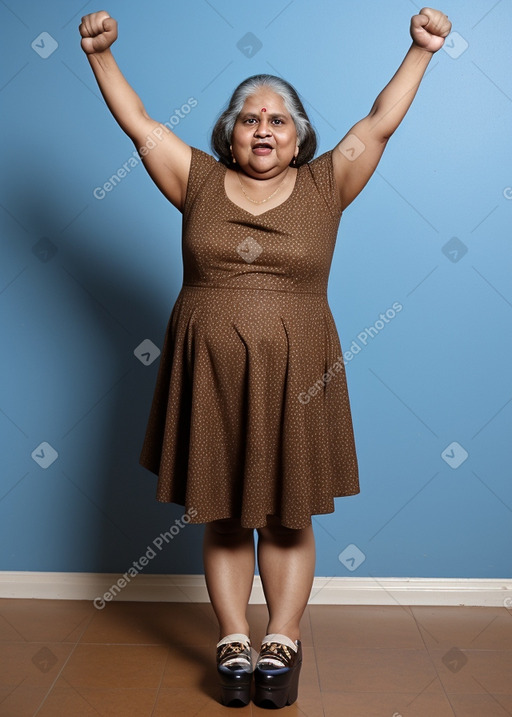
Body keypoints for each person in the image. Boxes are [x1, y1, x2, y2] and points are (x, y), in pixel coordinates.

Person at [79, 6, 451, 709]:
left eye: (279, 119)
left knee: (287, 514)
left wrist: (421, 50)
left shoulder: (325, 187)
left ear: (301, 135)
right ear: (229, 131)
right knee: (222, 511)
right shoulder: (194, 179)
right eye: (250, 117)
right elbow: (139, 123)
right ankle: (230, 638)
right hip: (211, 370)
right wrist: (100, 56)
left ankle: (281, 640)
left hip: (297, 374)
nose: (263, 129)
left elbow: (378, 122)